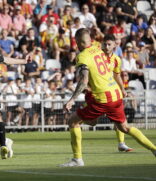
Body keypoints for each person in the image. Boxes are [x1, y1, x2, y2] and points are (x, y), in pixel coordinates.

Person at [61, 28, 156, 167]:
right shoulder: (97, 47)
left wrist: (72, 99)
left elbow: (83, 80)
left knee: (72, 121)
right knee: (124, 127)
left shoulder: (82, 56)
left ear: (77, 42)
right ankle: (154, 149)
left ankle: (77, 159)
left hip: (102, 98)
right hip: (115, 94)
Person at [102, 34, 133, 152]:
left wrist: (122, 89)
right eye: (105, 43)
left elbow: (117, 75)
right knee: (88, 121)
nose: (106, 46)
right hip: (98, 92)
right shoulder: (98, 57)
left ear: (115, 45)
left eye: (109, 44)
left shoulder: (116, 59)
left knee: (120, 119)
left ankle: (121, 143)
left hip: (112, 93)